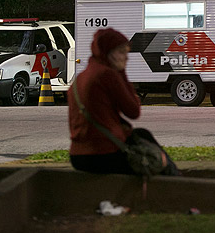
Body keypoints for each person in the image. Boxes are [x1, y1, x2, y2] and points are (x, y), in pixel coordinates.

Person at [68, 28, 178, 175]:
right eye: (121, 52)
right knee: (152, 159)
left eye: (126, 52)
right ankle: (176, 182)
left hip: (77, 155)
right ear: (107, 53)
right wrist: (122, 73)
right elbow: (133, 111)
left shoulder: (81, 78)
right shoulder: (107, 74)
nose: (126, 57)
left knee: (142, 134)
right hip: (102, 154)